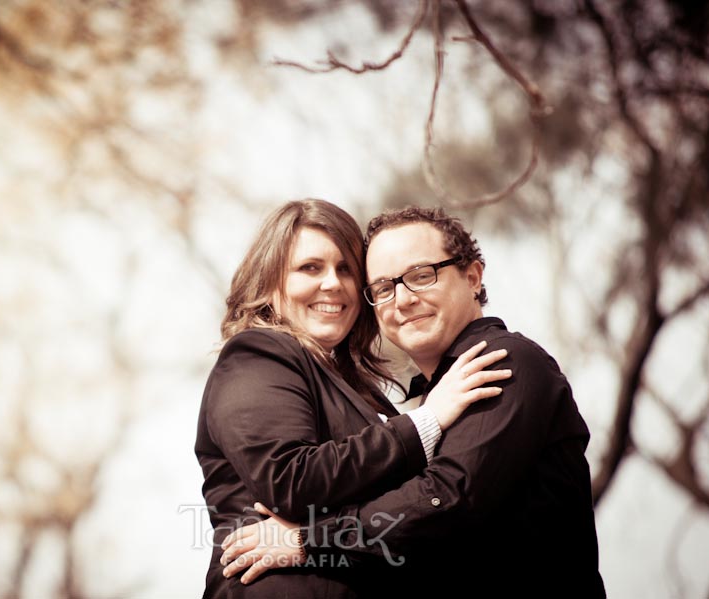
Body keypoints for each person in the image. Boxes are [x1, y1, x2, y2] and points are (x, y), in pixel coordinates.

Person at [220, 206, 606, 597]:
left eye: (422, 276)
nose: (402, 300)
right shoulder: (434, 396)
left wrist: (307, 541)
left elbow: (448, 498)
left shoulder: (501, 362)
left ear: (472, 277)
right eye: (385, 288)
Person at [194, 200, 511, 598]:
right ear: (271, 282)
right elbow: (289, 479)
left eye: (346, 269)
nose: (333, 283)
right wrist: (427, 422)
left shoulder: (346, 384)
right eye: (310, 267)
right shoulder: (257, 354)